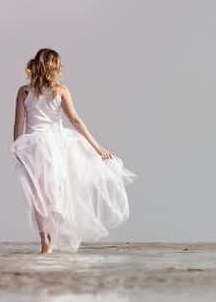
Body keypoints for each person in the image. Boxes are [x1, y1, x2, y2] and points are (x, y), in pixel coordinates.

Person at [11, 48, 137, 253]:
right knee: (59, 189)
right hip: (56, 145)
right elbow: (76, 121)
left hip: (33, 146)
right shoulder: (60, 91)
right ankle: (54, 233)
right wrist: (97, 147)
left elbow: (18, 125)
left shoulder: (24, 91)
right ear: (55, 67)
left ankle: (45, 241)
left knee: (39, 195)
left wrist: (17, 148)